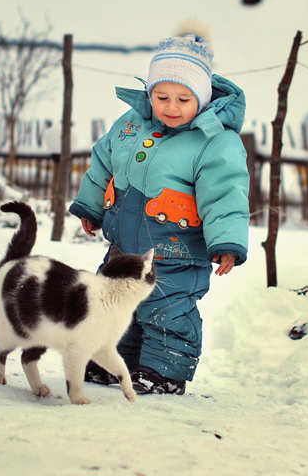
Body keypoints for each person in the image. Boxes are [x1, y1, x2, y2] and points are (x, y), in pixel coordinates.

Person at [69, 30, 250, 395]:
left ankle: (164, 372)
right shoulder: (131, 125)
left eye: (183, 98)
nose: (170, 106)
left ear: (201, 97)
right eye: (161, 96)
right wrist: (91, 206)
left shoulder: (215, 142)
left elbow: (226, 193)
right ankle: (115, 363)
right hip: (125, 246)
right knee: (116, 304)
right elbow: (104, 162)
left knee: (166, 310)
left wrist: (227, 241)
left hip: (178, 250)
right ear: (149, 93)